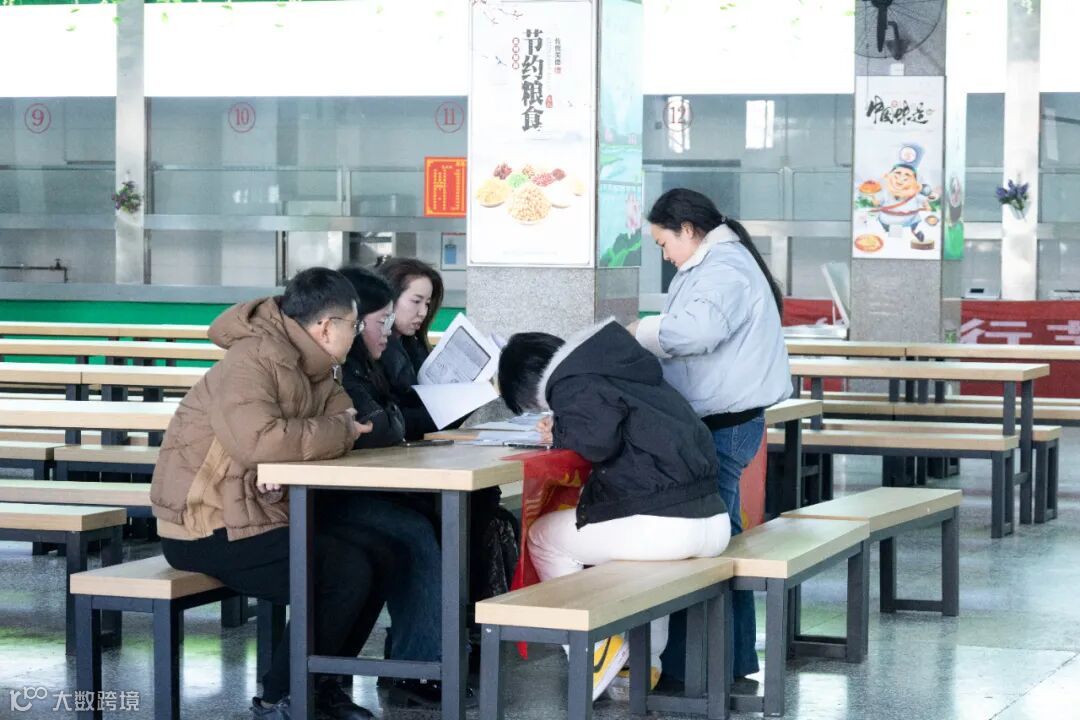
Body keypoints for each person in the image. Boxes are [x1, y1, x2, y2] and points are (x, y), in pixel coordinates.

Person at [151, 267, 381, 720]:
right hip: (205, 526)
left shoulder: (314, 366)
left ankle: (322, 687)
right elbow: (264, 442)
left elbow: (348, 417)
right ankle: (283, 698)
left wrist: (288, 451)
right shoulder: (252, 360)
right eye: (355, 325)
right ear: (326, 327)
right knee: (344, 570)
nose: (357, 335)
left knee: (384, 553)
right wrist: (293, 446)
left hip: (256, 514)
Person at [498, 320, 731, 701]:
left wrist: (558, 431)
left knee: (543, 537)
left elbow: (596, 442)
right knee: (640, 561)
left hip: (667, 525)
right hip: (712, 522)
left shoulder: (572, 383)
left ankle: (592, 647)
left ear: (530, 389)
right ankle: (641, 665)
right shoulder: (626, 368)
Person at [631, 188, 792, 688]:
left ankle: (704, 668)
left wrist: (642, 332)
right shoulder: (719, 262)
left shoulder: (723, 268)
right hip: (724, 423)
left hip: (723, 427)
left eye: (664, 243)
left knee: (708, 544)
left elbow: (695, 333)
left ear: (687, 229)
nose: (665, 255)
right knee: (718, 539)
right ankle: (722, 663)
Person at [320, 265, 451, 708]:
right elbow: (378, 424)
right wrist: (392, 418)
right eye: (383, 320)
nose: (391, 328)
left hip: (354, 485)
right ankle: (418, 668)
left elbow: (387, 419)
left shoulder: (368, 360)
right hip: (325, 496)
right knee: (415, 531)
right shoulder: (340, 367)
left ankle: (423, 658)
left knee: (432, 519)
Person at [376, 257, 445, 440]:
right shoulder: (371, 353)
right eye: (416, 301)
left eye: (427, 303)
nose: (423, 312)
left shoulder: (416, 347)